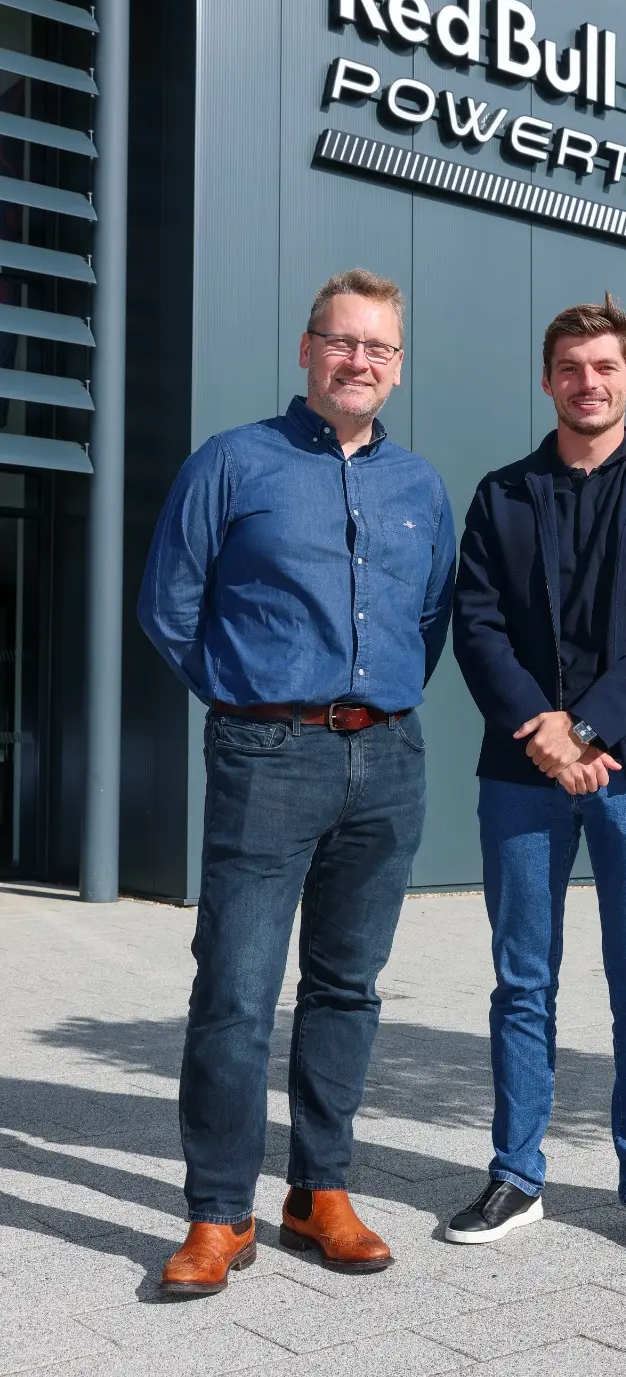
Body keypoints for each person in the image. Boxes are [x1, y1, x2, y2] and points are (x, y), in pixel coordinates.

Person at [138, 268, 455, 1295]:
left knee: (346, 987)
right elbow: (169, 606)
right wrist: (248, 700)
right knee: (235, 990)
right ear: (308, 350)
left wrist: (374, 706)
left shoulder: (420, 487)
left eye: (378, 347)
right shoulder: (233, 462)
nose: (359, 360)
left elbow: (431, 619)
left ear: (398, 367)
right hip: (266, 757)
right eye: (342, 341)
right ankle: (218, 1212)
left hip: (388, 760)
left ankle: (320, 1193)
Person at [448, 292, 626, 1258]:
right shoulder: (503, 493)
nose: (588, 382)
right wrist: (544, 731)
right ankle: (516, 1176)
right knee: (522, 982)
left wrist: (589, 727)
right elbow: (476, 623)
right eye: (570, 368)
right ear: (547, 381)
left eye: (605, 367)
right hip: (522, 772)